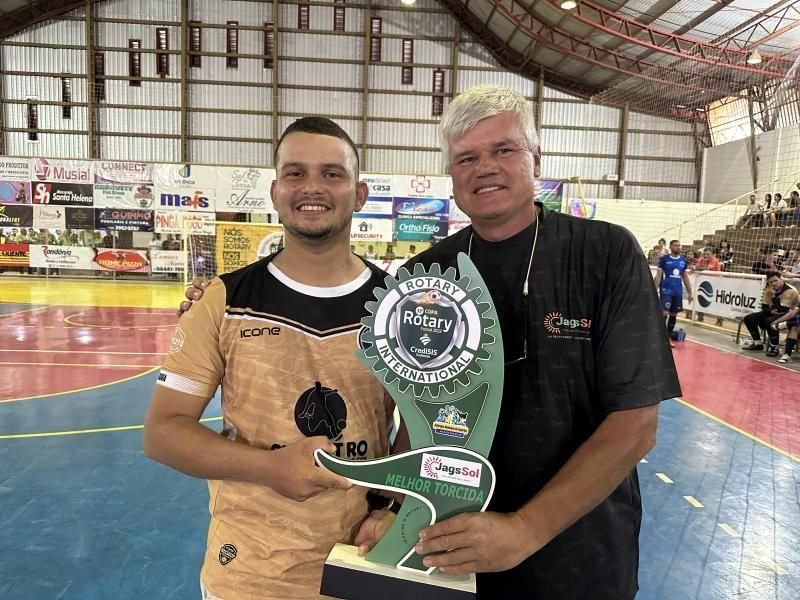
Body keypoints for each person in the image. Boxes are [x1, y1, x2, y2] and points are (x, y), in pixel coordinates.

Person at [181, 86, 680, 599]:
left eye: (503, 150)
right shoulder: (425, 277)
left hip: (578, 557)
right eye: (466, 157)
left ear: (536, 158)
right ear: (453, 175)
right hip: (444, 550)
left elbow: (636, 425)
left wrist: (525, 530)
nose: (484, 167)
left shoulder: (604, 254)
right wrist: (397, 508)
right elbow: (418, 416)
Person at [145, 117, 405, 599]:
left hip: (362, 564)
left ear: (360, 193)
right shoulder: (222, 301)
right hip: (248, 576)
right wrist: (270, 468)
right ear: (275, 190)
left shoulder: (397, 307)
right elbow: (162, 433)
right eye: (295, 173)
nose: (312, 187)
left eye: (332, 173)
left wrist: (394, 509)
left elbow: (420, 428)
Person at [741, 271, 800, 355]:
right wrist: (770, 308)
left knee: (769, 321)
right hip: (773, 311)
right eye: (771, 282)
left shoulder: (790, 291)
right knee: (749, 318)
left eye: (775, 281)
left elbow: (781, 309)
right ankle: (758, 343)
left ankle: (775, 347)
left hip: (789, 314)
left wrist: (772, 299)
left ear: (781, 279)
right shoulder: (769, 290)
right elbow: (764, 307)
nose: (773, 283)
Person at [654, 240, 694, 343]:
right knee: (664, 313)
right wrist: (654, 289)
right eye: (676, 245)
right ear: (671, 247)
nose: (678, 247)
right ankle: (660, 337)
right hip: (666, 290)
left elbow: (685, 277)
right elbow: (658, 276)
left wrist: (690, 293)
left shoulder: (683, 261)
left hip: (677, 292)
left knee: (673, 314)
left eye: (679, 245)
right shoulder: (664, 259)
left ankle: (667, 339)